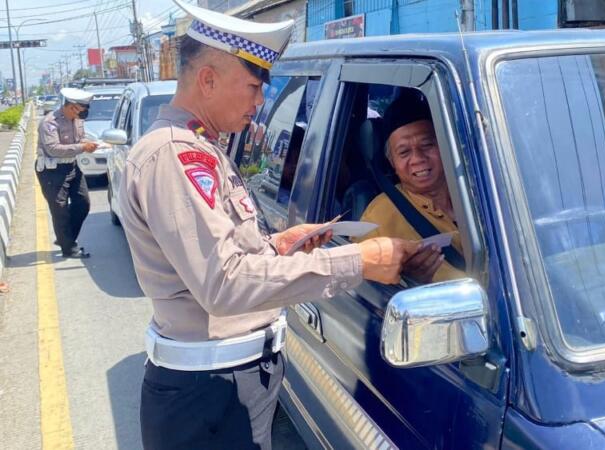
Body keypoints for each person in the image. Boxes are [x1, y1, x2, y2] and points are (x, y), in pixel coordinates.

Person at [119, 2, 419, 449]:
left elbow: (223, 253)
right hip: (210, 396)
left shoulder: (201, 147)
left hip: (225, 385)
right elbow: (223, 284)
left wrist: (277, 246)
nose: (261, 103)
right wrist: (360, 260)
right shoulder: (176, 157)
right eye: (254, 87)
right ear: (208, 79)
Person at [357, 91, 465, 283]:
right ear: (392, 162)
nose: (417, 159)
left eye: (427, 145)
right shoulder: (378, 219)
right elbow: (367, 293)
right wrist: (410, 281)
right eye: (404, 152)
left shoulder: (478, 191)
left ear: (444, 147)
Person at [36, 87, 98, 258]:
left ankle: (65, 238)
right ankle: (68, 247)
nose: (85, 112)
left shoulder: (77, 120)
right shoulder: (50, 123)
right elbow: (53, 149)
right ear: (72, 107)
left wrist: (90, 144)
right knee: (60, 209)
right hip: (52, 170)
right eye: (83, 108)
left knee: (83, 203)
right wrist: (82, 147)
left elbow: (79, 139)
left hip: (71, 166)